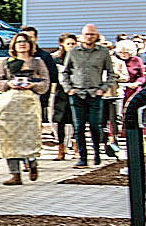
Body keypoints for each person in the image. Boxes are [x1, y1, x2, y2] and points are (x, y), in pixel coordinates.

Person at [0, 32, 50, 185]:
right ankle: (14, 173)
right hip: (10, 102)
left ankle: (32, 161)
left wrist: (34, 85)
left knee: (28, 136)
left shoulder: (37, 62)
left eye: (25, 41)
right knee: (8, 137)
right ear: (13, 45)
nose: (22, 44)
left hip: (29, 103)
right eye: (19, 42)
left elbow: (46, 83)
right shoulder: (7, 62)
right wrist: (8, 84)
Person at [60, 23, 115, 169]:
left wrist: (103, 89)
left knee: (95, 126)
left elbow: (111, 74)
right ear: (81, 36)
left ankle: (97, 153)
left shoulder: (103, 52)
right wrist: (69, 89)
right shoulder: (73, 52)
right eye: (86, 34)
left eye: (92, 34)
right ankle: (82, 158)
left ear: (96, 36)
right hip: (77, 93)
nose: (89, 37)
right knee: (78, 127)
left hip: (94, 93)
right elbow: (64, 72)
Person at [21, 26, 58, 120]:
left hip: (39, 95)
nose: (27, 41)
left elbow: (52, 76)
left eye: (31, 37)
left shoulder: (45, 56)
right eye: (25, 38)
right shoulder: (15, 56)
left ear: (36, 38)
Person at [51, 34, 77, 160]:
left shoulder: (78, 57)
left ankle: (77, 148)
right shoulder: (56, 59)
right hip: (61, 93)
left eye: (73, 44)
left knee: (76, 121)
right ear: (62, 44)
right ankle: (61, 149)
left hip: (76, 92)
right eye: (68, 44)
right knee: (60, 121)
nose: (71, 46)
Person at [114, 40, 146, 125]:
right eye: (121, 52)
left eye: (126, 52)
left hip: (133, 89)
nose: (123, 54)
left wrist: (137, 83)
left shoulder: (137, 60)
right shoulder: (115, 60)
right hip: (119, 90)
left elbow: (142, 76)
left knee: (132, 113)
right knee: (118, 114)